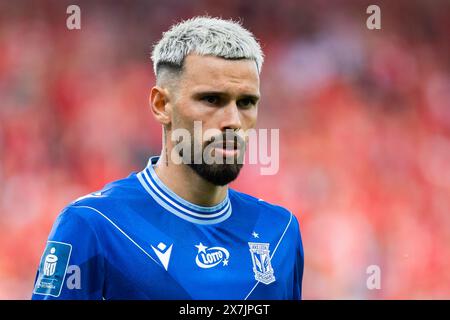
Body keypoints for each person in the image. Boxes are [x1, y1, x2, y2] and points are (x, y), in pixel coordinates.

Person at [32, 16, 304, 300]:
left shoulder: (280, 231)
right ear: (161, 105)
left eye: (246, 102)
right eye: (212, 99)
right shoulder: (93, 225)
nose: (233, 121)